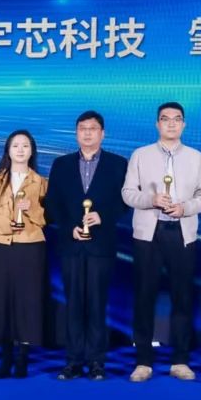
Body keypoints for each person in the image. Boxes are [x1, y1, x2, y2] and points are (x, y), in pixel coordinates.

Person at [121, 102, 201, 382]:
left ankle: (180, 361)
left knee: (182, 297)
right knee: (144, 297)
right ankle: (143, 361)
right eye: (165, 119)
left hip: (182, 233)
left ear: (184, 124)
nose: (171, 123)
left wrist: (184, 208)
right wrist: (152, 200)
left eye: (177, 119)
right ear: (157, 124)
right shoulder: (140, 155)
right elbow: (127, 193)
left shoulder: (196, 157)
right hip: (148, 233)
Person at [47, 110, 129, 381]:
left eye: (92, 128)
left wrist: (103, 216)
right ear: (76, 133)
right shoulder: (61, 164)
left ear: (102, 133)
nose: (87, 133)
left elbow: (125, 202)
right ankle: (72, 361)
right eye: (82, 128)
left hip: (101, 245)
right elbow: (53, 204)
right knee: (73, 304)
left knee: (97, 304)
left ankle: (96, 361)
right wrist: (69, 226)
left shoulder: (118, 164)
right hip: (70, 245)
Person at [0, 130, 47, 379]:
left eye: (25, 145)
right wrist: (6, 223)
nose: (20, 150)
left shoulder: (40, 182)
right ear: (8, 150)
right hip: (2, 246)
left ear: (32, 151)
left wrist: (31, 209)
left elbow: (49, 216)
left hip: (31, 247)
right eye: (16, 145)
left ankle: (23, 356)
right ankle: (5, 357)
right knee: (2, 300)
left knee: (27, 301)